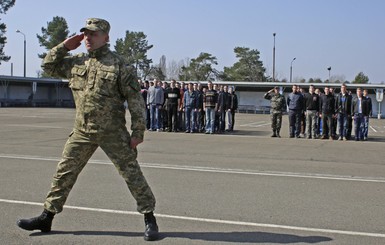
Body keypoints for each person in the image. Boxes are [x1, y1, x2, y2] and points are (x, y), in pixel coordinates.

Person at [16, 18, 159, 241]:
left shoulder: (119, 65)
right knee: (64, 172)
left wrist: (138, 132)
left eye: (93, 34)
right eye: (86, 34)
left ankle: (149, 217)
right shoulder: (76, 62)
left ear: (106, 37)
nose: (88, 38)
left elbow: (135, 101)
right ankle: (47, 216)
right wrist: (64, 46)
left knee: (132, 174)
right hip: (82, 131)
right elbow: (47, 66)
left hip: (112, 132)